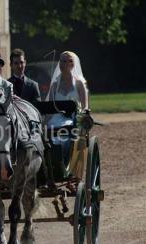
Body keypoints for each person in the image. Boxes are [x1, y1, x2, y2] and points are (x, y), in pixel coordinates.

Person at [45, 51, 91, 183]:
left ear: (73, 64)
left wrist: (81, 116)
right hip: (55, 119)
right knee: (48, 138)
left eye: (67, 61)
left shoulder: (79, 84)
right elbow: (50, 108)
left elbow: (85, 106)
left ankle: (64, 169)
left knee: (65, 139)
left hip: (72, 120)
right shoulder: (54, 85)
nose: (64, 64)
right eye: (62, 61)